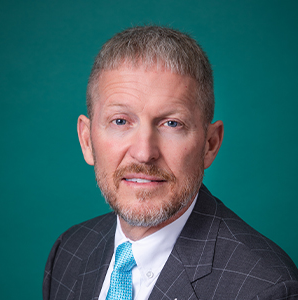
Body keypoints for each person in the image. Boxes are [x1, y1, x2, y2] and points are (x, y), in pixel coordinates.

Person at [43, 26, 298, 300]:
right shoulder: (68, 251)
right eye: (120, 121)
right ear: (86, 140)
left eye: (171, 124)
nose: (144, 153)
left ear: (209, 145)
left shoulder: (266, 288)